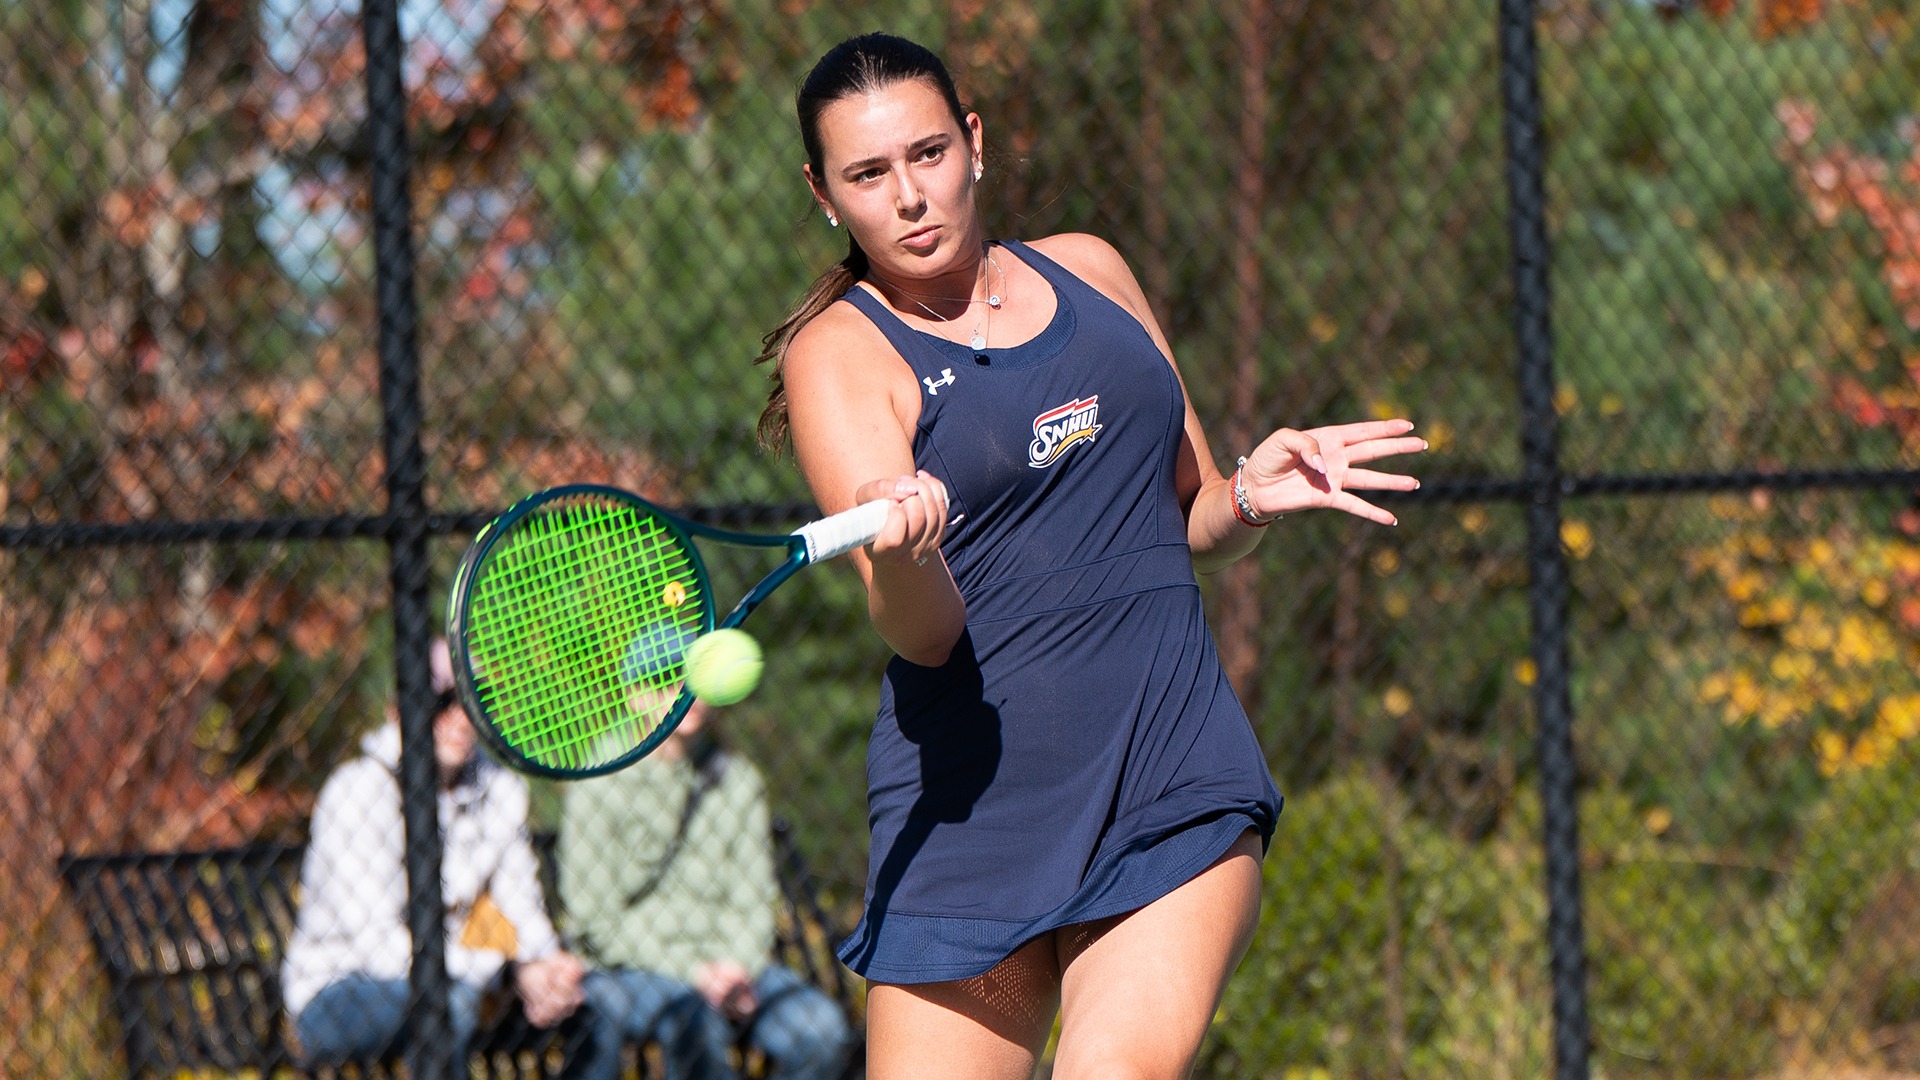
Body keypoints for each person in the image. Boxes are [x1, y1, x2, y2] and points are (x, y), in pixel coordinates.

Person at [753, 32, 1427, 1080]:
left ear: (974, 142)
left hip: (1167, 770)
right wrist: (902, 553)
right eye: (869, 174)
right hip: (968, 814)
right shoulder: (837, 354)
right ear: (824, 194)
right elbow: (925, 637)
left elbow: (1188, 514)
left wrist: (1250, 493)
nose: (911, 197)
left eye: (928, 154)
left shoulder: (1092, 272)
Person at [281, 637, 605, 1073]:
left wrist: (545, 967)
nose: (460, 718)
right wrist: (507, 971)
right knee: (447, 1009)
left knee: (597, 1003)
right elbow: (380, 949)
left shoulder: (501, 788)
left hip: (461, 977)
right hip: (340, 988)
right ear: (399, 709)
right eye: (443, 701)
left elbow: (520, 900)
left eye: (474, 701)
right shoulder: (356, 792)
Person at [559, 692, 856, 1080]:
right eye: (665, 681)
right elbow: (595, 918)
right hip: (632, 969)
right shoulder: (599, 778)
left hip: (735, 969)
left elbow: (754, 896)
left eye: (692, 679)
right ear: (634, 696)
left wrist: (737, 968)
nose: (684, 694)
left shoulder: (736, 777)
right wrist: (696, 974)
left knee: (821, 1027)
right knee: (696, 1023)